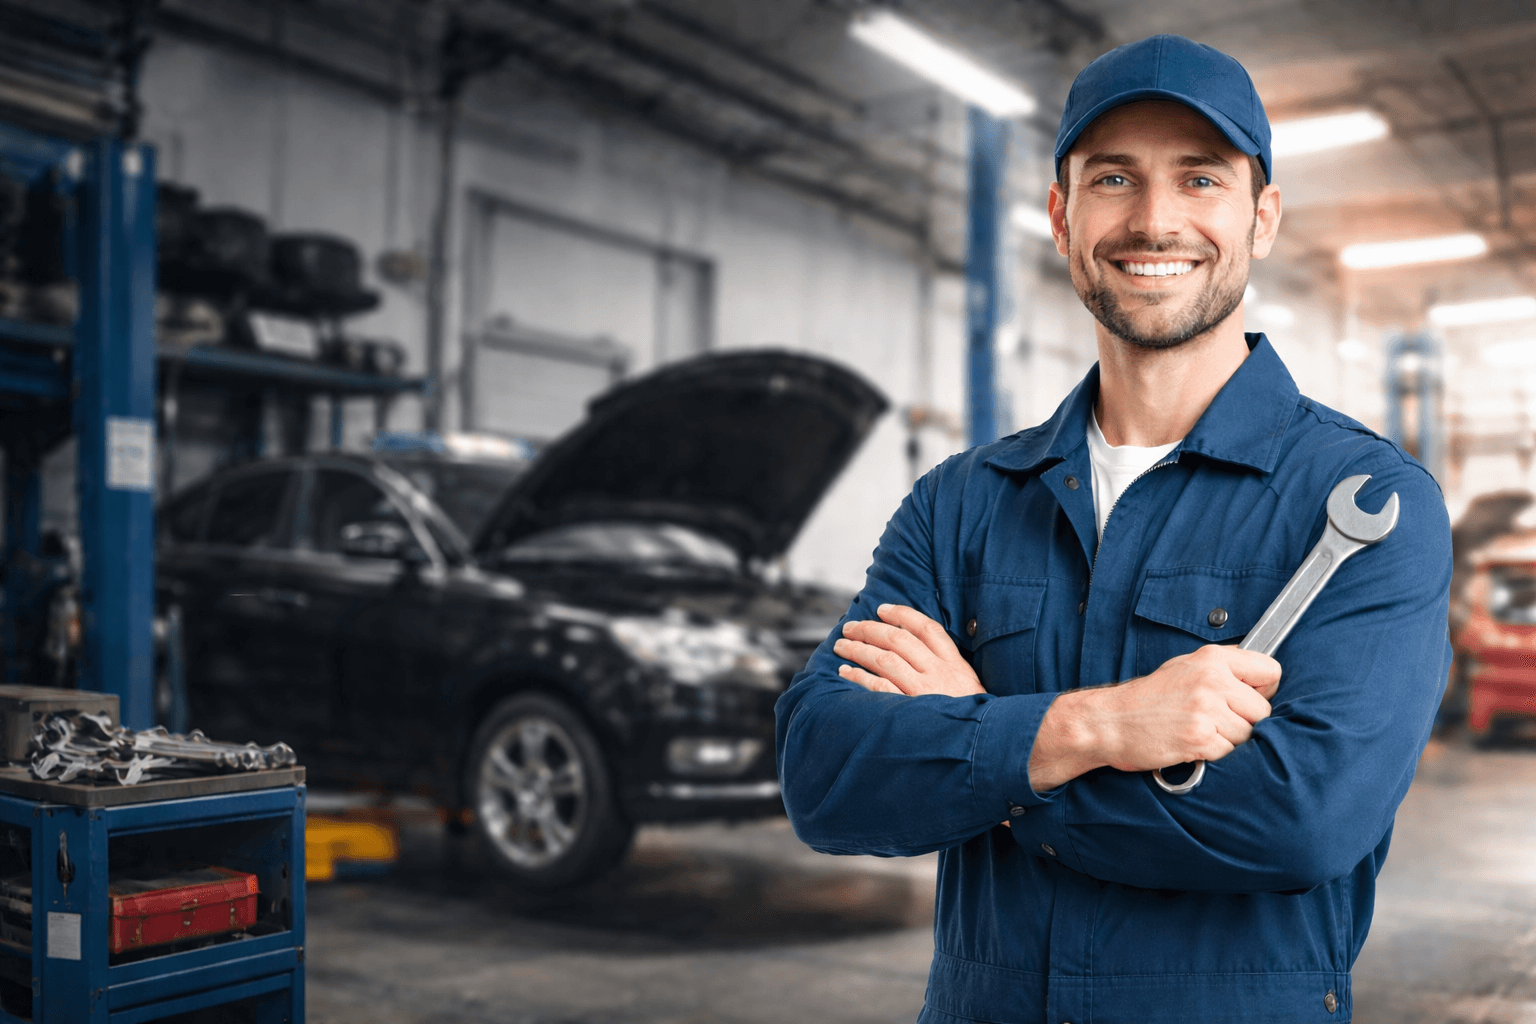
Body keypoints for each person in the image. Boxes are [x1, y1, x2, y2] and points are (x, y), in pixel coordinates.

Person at [775, 33, 1451, 1024]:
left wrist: (986, 748)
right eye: (1114, 178)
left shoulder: (1362, 501)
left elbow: (1298, 820)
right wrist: (1101, 727)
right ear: (1062, 216)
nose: (1155, 219)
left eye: (1200, 178)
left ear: (1262, 217)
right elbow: (825, 773)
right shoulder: (961, 502)